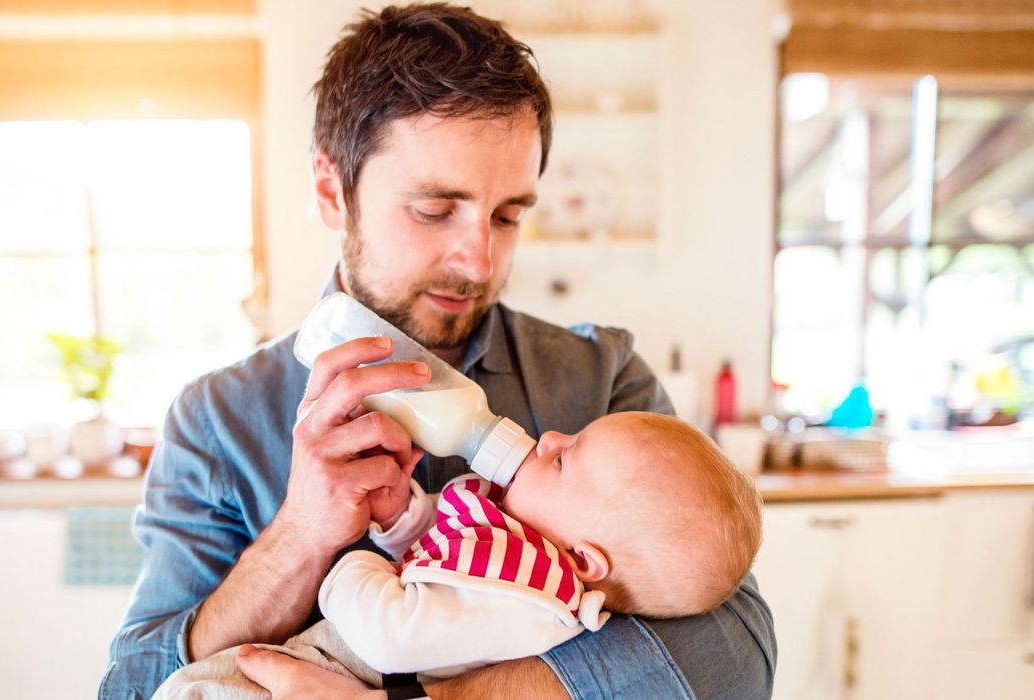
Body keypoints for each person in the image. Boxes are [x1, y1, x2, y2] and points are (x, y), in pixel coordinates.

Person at [100, 4, 776, 699]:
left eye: (508, 215)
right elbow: (129, 688)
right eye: (432, 209)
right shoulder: (218, 420)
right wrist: (298, 539)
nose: (479, 261)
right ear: (333, 191)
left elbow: (733, 656)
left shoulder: (598, 381)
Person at [149, 412, 764, 699]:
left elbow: (398, 632)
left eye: (563, 457)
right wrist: (400, 520)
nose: (546, 436)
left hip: (340, 670)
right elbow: (444, 563)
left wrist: (353, 567)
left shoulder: (530, 600)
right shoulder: (521, 544)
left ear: (581, 560)